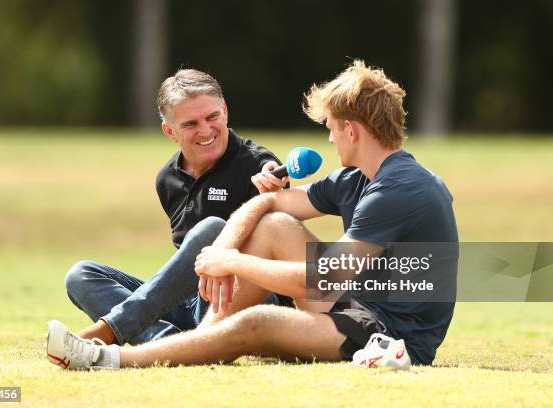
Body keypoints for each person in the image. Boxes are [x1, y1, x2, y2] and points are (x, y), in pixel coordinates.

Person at [46, 60, 458, 370]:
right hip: (356, 308)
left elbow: (321, 277)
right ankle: (202, 343)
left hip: (389, 335)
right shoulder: (356, 177)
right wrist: (222, 246)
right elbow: (273, 204)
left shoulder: (400, 187)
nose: (329, 137)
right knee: (276, 224)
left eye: (331, 127)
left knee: (257, 320)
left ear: (351, 129)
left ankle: (111, 359)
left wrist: (232, 260)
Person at [61, 68, 289, 347]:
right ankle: (170, 342)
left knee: (213, 230)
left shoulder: (258, 165)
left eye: (212, 117)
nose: (205, 130)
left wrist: (275, 188)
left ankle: (113, 328)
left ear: (225, 111)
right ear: (170, 131)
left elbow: (279, 217)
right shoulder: (166, 178)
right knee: (81, 275)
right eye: (191, 124)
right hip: (194, 303)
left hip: (246, 299)